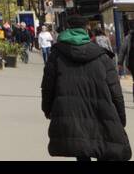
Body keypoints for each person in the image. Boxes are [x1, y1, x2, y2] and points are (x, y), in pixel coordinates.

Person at [41, 13, 130, 161]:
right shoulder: (102, 56)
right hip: (101, 111)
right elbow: (116, 91)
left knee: (81, 150)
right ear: (86, 30)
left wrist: (47, 109)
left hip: (71, 111)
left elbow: (48, 86)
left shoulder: (56, 54)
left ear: (67, 28)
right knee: (104, 148)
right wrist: (121, 117)